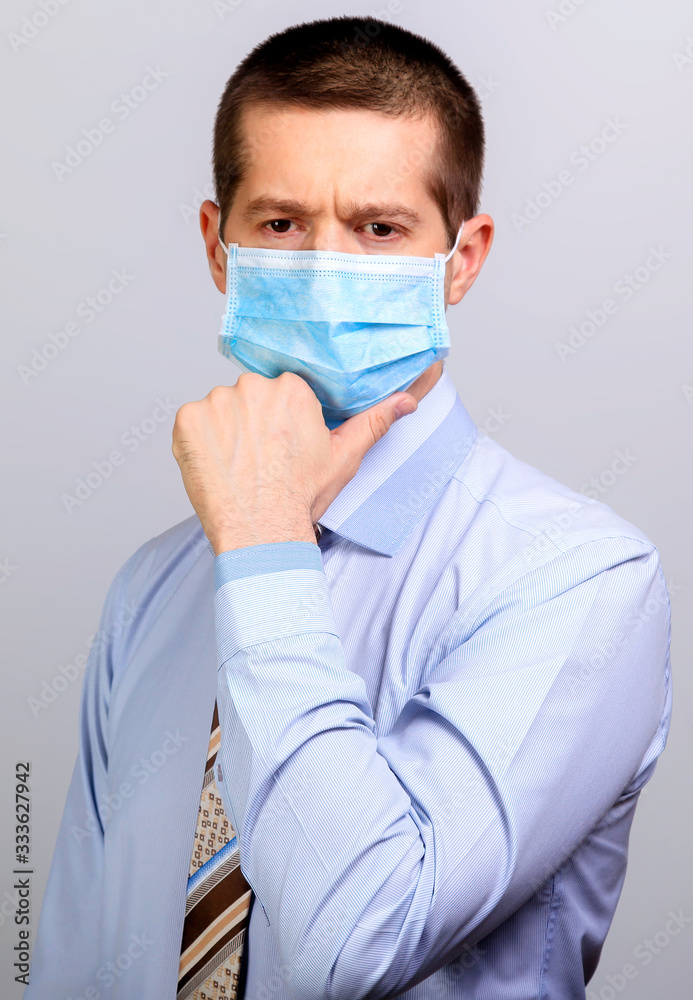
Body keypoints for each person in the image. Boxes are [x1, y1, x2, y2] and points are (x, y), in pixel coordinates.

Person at [25, 15, 672, 1000]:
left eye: (379, 228)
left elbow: (357, 941)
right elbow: (69, 970)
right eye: (281, 224)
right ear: (217, 245)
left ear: (462, 257)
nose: (326, 270)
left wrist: (266, 547)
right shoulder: (150, 591)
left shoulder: (580, 581)